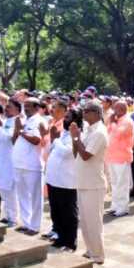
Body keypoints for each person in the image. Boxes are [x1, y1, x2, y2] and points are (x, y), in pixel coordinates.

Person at [71, 100, 108, 265]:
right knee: (85, 221)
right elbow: (76, 153)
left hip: (94, 183)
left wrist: (76, 137)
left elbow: (86, 155)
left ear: (96, 113)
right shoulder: (88, 130)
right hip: (83, 180)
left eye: (86, 111)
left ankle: (98, 255)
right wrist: (75, 138)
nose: (83, 114)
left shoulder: (99, 132)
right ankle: (90, 250)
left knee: (93, 222)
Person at [46, 106, 80, 251]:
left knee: (68, 213)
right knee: (56, 211)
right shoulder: (64, 134)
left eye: (68, 117)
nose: (64, 119)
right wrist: (55, 141)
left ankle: (70, 242)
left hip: (67, 181)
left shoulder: (77, 134)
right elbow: (51, 150)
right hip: (54, 178)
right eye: (65, 117)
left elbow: (67, 153)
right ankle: (60, 237)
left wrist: (54, 140)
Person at [13, 97, 47, 236]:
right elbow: (14, 140)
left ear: (36, 107)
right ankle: (26, 222)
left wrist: (21, 130)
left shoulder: (40, 121)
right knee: (22, 196)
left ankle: (34, 226)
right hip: (19, 163)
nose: (25, 108)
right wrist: (17, 129)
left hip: (32, 164)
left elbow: (36, 140)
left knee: (35, 197)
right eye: (24, 105)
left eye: (28, 105)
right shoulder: (24, 120)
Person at [105, 101, 134, 217]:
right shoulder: (117, 120)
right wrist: (111, 122)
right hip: (112, 156)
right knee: (114, 182)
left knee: (122, 183)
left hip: (122, 157)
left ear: (122, 109)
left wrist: (112, 122)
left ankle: (123, 208)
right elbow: (107, 132)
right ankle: (115, 206)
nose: (113, 111)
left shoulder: (128, 121)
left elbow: (118, 134)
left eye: (115, 109)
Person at [0, 99, 21, 226]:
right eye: (6, 107)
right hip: (0, 159)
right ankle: (6, 215)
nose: (6, 109)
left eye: (9, 107)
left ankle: (13, 218)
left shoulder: (17, 121)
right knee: (2, 189)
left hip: (9, 160)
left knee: (10, 190)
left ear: (17, 109)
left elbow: (7, 138)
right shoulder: (5, 120)